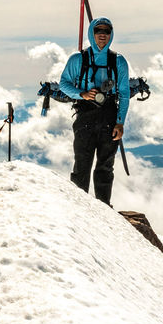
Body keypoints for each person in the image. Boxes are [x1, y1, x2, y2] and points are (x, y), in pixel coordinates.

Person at [58, 16, 131, 206]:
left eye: (107, 31)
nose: (102, 35)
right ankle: (79, 208)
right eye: (98, 31)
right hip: (85, 115)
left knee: (105, 166)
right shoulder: (78, 59)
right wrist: (82, 94)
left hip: (109, 116)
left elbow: (124, 94)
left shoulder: (119, 62)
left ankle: (104, 208)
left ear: (111, 34)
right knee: (82, 163)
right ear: (92, 33)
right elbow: (63, 84)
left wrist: (120, 122)